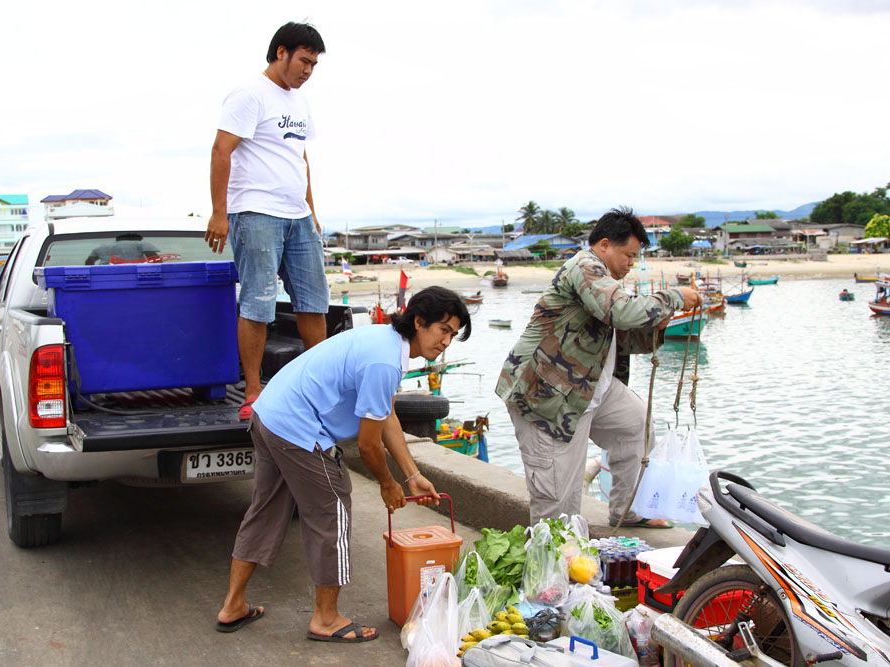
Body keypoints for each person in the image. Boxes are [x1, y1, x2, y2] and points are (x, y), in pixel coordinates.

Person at [215, 286, 472, 642]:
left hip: (269, 415)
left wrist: (411, 475)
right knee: (332, 511)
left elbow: (385, 416)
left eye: (453, 334)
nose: (446, 341)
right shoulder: (385, 360)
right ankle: (326, 618)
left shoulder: (383, 340)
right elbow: (368, 445)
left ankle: (233, 606)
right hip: (297, 428)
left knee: (265, 511)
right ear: (419, 321)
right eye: (443, 329)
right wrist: (387, 483)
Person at [495, 207, 702, 528]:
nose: (631, 263)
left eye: (635, 257)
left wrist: (657, 321)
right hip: (547, 395)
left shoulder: (606, 280)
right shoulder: (584, 266)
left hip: (588, 387)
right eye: (628, 255)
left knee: (637, 424)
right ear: (604, 244)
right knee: (559, 501)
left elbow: (625, 335)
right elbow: (620, 311)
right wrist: (674, 297)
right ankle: (548, 568)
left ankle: (628, 510)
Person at [204, 22, 330, 420]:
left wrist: (312, 210)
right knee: (258, 302)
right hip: (256, 211)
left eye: (314, 64)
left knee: (314, 302)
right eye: (304, 61)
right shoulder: (249, 95)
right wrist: (219, 213)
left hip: (298, 216)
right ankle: (253, 390)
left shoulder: (301, 102)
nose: (308, 71)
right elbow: (221, 151)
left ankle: (318, 386)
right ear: (281, 53)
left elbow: (301, 159)